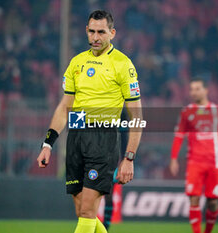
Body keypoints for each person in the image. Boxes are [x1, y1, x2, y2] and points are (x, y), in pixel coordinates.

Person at [37, 10, 142, 233]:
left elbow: (137, 117)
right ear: (86, 31)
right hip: (76, 138)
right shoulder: (77, 62)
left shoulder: (123, 64)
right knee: (82, 211)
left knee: (87, 212)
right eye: (92, 31)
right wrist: (48, 144)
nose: (96, 37)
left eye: (101, 32)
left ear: (112, 33)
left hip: (103, 140)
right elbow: (64, 107)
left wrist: (129, 158)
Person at [169, 78, 218, 233]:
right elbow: (179, 137)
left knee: (213, 203)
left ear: (206, 90)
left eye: (197, 89)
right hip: (194, 162)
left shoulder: (217, 111)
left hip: (214, 163)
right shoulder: (187, 112)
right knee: (194, 199)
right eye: (191, 89)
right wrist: (173, 159)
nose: (194, 92)